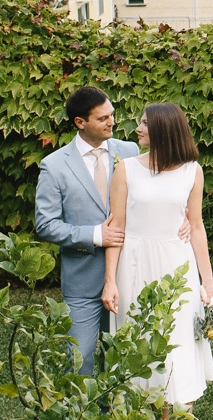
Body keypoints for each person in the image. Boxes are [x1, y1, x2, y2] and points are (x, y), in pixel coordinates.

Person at [103, 103, 213, 420]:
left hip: (177, 267)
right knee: (141, 352)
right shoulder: (126, 169)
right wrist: (109, 280)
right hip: (134, 268)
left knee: (178, 358)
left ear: (165, 131)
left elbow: (197, 226)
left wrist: (207, 280)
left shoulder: (192, 172)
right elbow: (116, 229)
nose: (137, 128)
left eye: (144, 123)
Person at [34, 86, 142, 374]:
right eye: (102, 118)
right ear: (80, 123)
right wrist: (96, 236)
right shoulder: (54, 166)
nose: (111, 123)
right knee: (80, 359)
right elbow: (45, 224)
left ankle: (113, 416)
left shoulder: (130, 152)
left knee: (119, 358)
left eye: (112, 115)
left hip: (125, 275)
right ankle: (81, 417)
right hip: (82, 280)